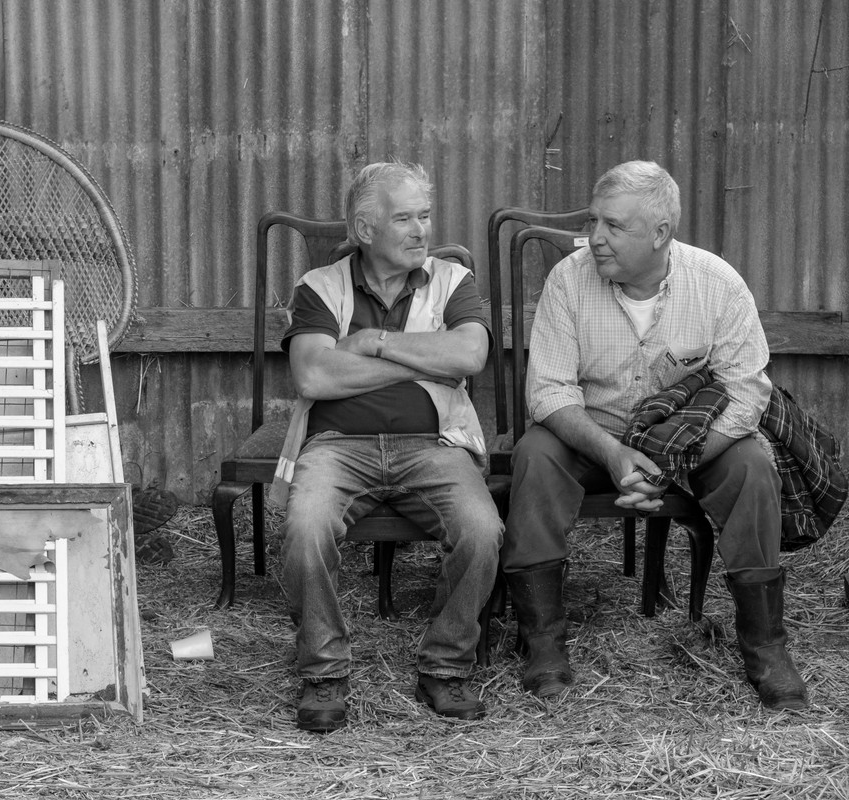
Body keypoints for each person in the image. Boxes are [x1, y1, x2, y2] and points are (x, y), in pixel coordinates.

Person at [503, 159, 809, 711]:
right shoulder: (568, 281)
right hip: (595, 437)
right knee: (535, 454)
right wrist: (616, 454)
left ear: (660, 233)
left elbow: (745, 396)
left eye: (613, 226)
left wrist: (669, 463)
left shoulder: (717, 284)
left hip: (688, 441)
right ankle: (543, 643)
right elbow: (548, 392)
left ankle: (766, 647)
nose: (595, 238)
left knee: (752, 465)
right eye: (595, 222)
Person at [270, 161, 503, 732]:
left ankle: (445, 667)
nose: (421, 230)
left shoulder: (453, 280)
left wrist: (372, 344)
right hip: (336, 445)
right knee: (305, 530)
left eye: (424, 215)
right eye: (405, 218)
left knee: (482, 531)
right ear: (366, 229)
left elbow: (469, 357)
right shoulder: (319, 287)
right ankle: (324, 673)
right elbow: (315, 379)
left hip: (434, 443)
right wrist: (422, 359)